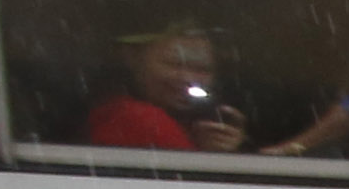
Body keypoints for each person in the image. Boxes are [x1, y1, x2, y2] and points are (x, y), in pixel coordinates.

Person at [80, 22, 245, 153]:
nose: (187, 78)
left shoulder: (194, 123)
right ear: (133, 58)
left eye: (202, 69)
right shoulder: (138, 118)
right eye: (174, 64)